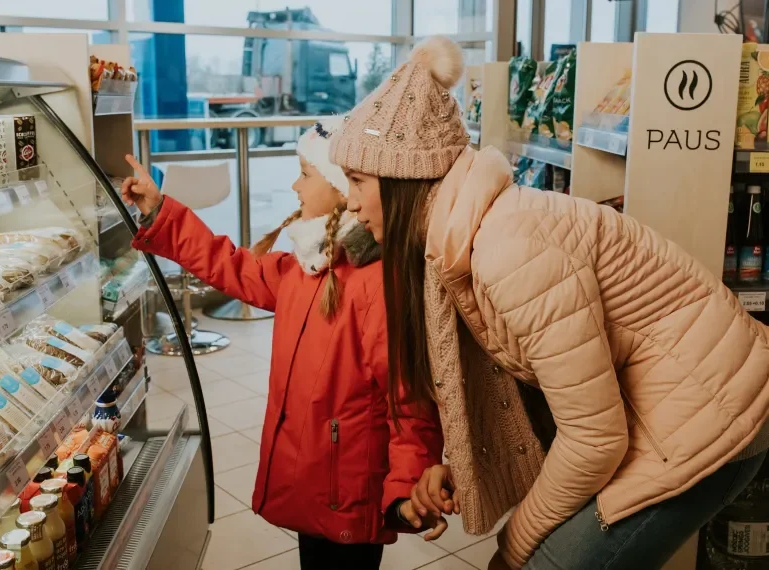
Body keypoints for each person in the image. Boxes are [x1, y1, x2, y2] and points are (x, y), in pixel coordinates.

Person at [329, 36, 769, 570]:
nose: (350, 202)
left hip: (707, 418)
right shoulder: (463, 240)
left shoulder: (508, 249)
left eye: (356, 181)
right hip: (661, 406)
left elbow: (594, 440)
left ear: (404, 181)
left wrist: (515, 544)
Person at [122, 117, 445, 570]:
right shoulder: (303, 268)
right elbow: (229, 264)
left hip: (347, 493)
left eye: (306, 173)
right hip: (314, 482)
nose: (295, 185)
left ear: (343, 189)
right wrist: (161, 212)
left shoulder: (376, 287)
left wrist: (407, 490)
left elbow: (409, 404)